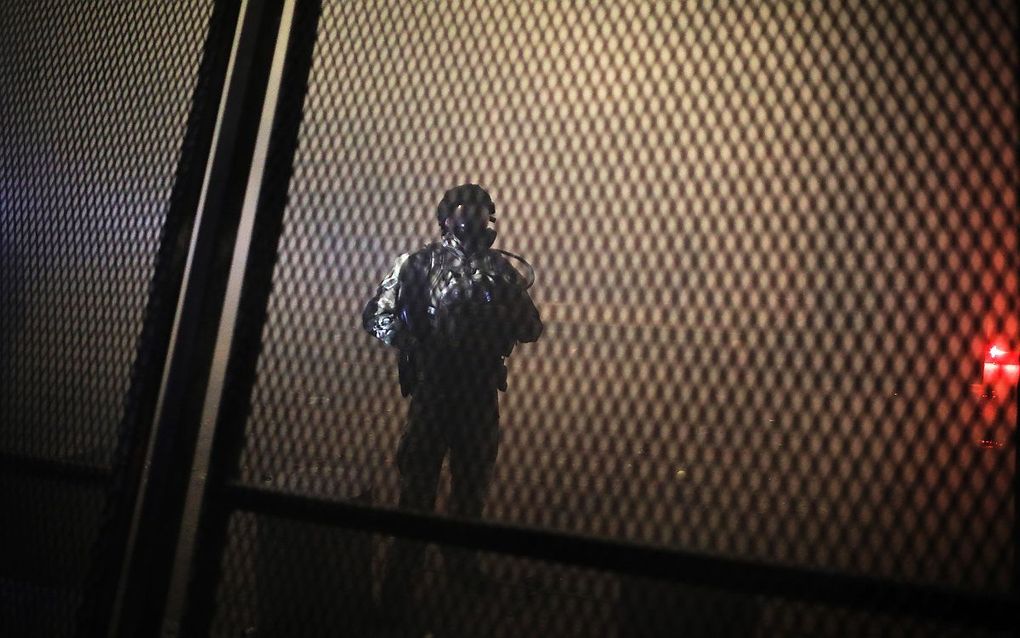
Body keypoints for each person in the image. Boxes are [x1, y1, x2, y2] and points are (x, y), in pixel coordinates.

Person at [363, 184, 543, 614]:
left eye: (482, 212)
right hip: (432, 392)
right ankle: (398, 589)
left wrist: (508, 311)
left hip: (479, 392)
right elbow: (376, 314)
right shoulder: (417, 263)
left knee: (470, 489)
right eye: (464, 210)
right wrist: (413, 344)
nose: (473, 218)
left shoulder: (501, 270)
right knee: (417, 490)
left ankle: (461, 567)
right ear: (445, 217)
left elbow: (531, 328)